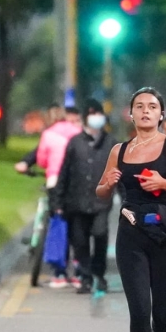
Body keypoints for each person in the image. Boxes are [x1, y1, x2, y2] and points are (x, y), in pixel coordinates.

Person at [96, 87, 166, 332]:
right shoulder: (119, 151)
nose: (145, 111)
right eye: (139, 106)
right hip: (131, 235)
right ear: (131, 114)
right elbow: (101, 191)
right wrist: (108, 184)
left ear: (161, 115)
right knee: (140, 311)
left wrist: (164, 183)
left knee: (163, 315)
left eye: (152, 107)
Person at [52, 101, 119, 294]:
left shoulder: (111, 143)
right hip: (76, 201)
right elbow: (64, 172)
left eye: (98, 113)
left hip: (101, 202)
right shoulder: (75, 143)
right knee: (79, 241)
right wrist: (57, 200)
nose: (96, 117)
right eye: (92, 113)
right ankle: (86, 276)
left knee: (100, 234)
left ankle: (99, 273)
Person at [36, 106, 83, 288]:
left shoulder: (48, 134)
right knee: (78, 226)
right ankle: (79, 271)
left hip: (55, 180)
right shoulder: (78, 132)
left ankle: (60, 272)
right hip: (76, 183)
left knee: (58, 221)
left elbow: (41, 160)